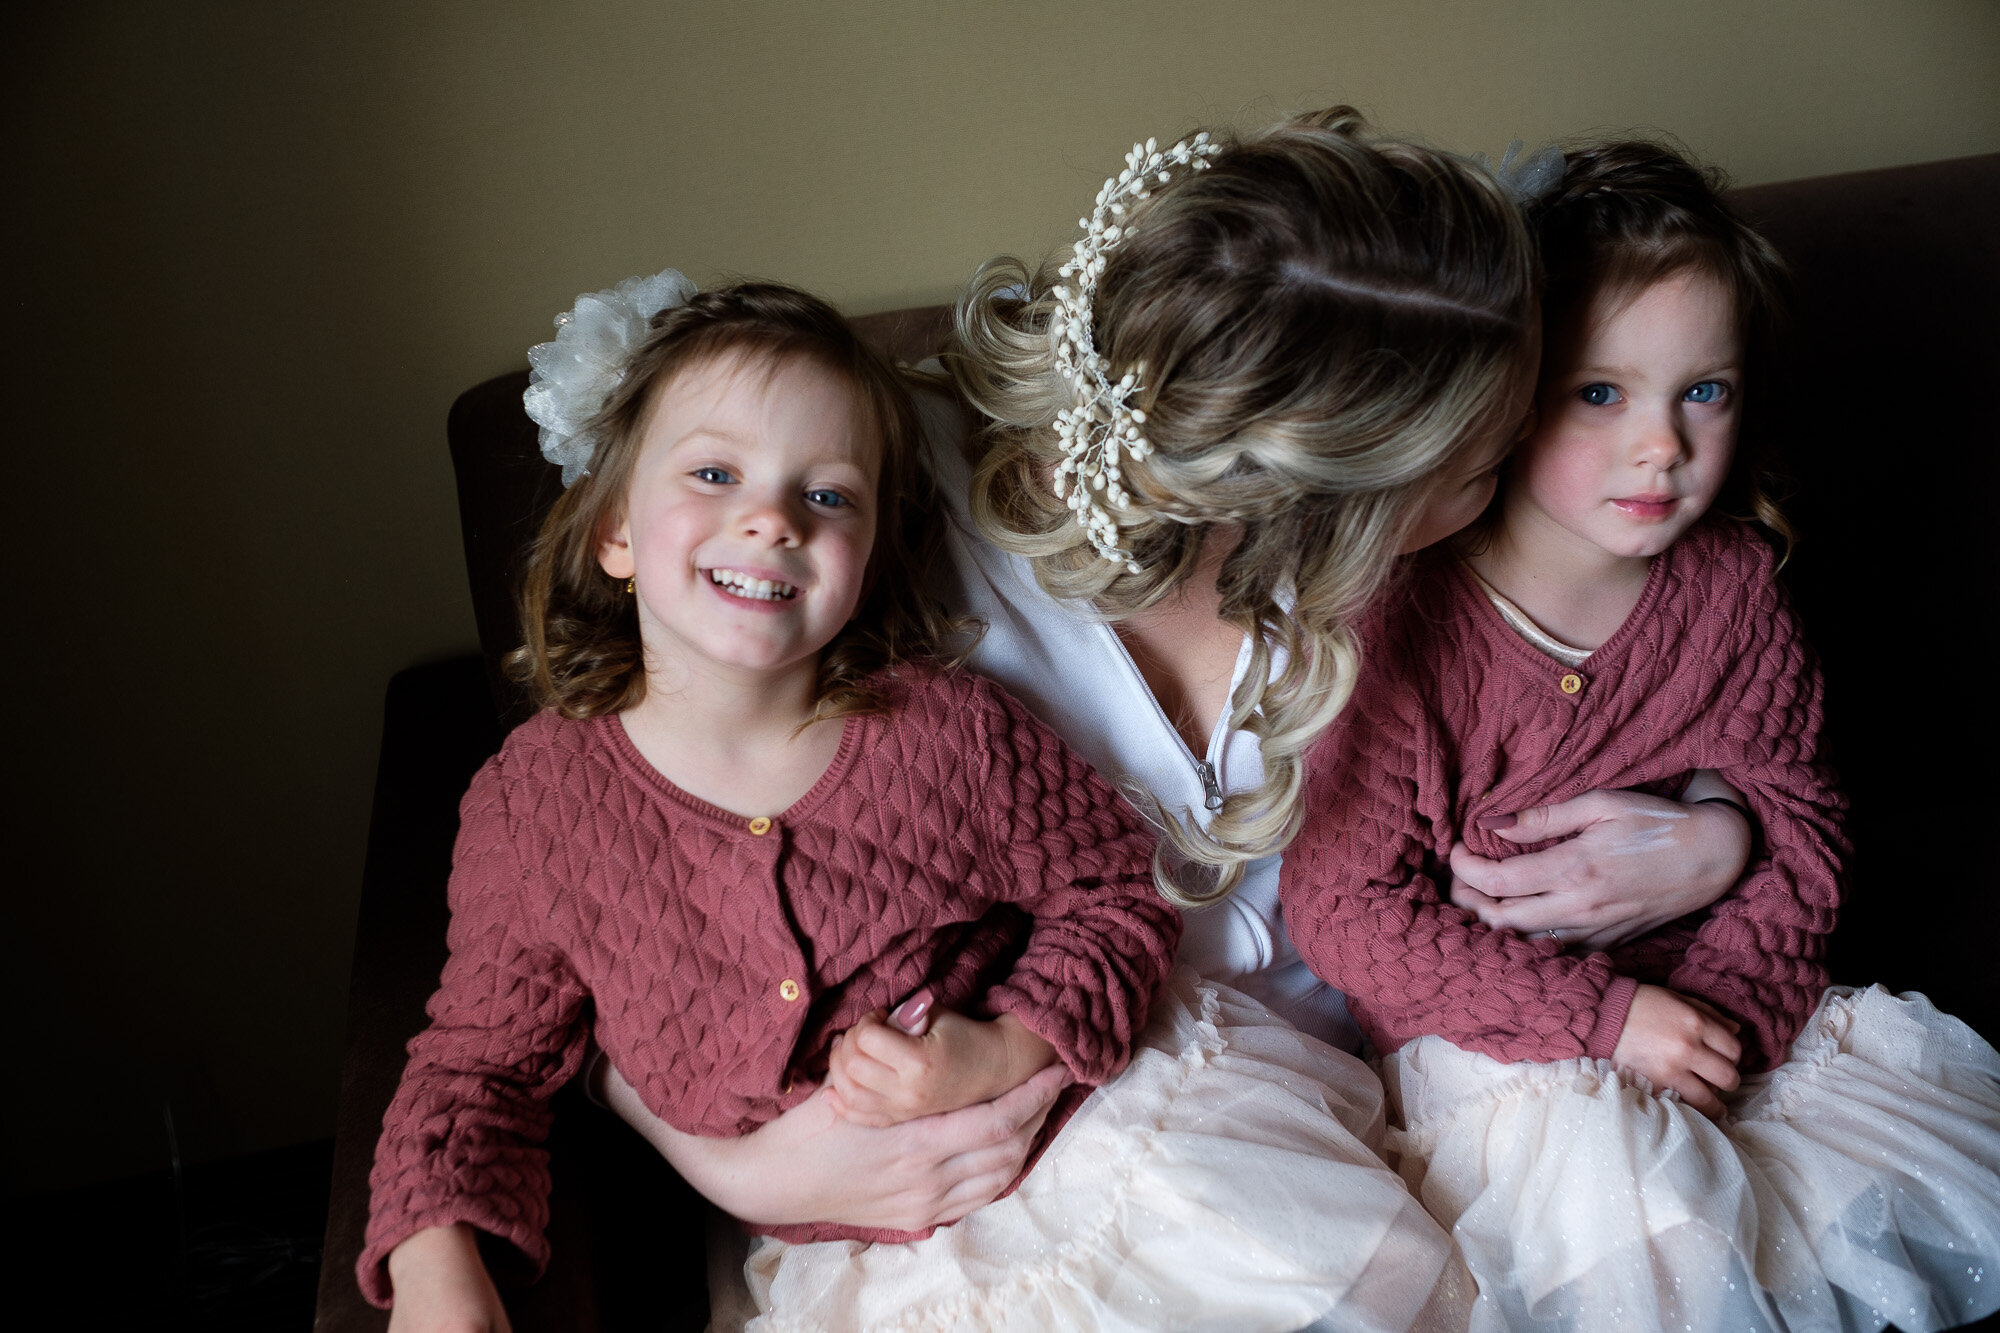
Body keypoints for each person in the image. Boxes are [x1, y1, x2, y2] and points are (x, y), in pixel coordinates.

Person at [598, 110, 1767, 1328]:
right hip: (1042, 1146)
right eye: (1476, 465)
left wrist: (1719, 829)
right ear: (1325, 503)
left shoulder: (1461, 577)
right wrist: (723, 1159)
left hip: (1356, 1115)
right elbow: (601, 845)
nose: (1513, 478)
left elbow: (1665, 686)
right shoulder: (883, 508)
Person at [358, 278, 1189, 1327]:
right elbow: (480, 1066)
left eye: (828, 495)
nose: (769, 519)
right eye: (714, 473)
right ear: (615, 528)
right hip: (857, 1266)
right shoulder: (534, 809)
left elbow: (1120, 896)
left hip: (1086, 1145)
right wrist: (437, 1264)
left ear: (871, 553)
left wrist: (1005, 1043)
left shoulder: (949, 731)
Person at [1280, 139, 2000, 1332]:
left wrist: (1721, 1028)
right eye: (1599, 393)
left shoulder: (1729, 590)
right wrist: (1606, 1027)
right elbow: (1347, 910)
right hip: (1504, 1052)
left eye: (1700, 391)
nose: (1659, 445)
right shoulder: (1407, 617)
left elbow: (1803, 825)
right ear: (1503, 395)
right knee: (1627, 1226)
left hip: (1720, 1030)